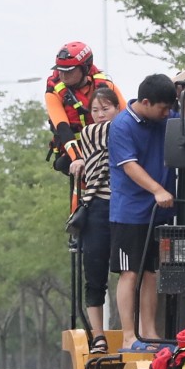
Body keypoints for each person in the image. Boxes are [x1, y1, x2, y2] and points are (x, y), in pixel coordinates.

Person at [108, 73, 178, 350]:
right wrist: (157, 190)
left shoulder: (164, 119)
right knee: (130, 272)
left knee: (151, 272)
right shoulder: (122, 125)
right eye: (163, 108)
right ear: (146, 102)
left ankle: (149, 333)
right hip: (130, 213)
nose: (167, 113)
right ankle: (129, 336)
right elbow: (129, 166)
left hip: (158, 213)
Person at [64, 86, 121, 354]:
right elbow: (114, 132)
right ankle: (98, 335)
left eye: (105, 109)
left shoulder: (124, 129)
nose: (100, 114)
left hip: (124, 207)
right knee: (95, 276)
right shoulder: (92, 132)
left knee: (130, 272)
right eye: (95, 110)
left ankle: (128, 330)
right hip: (98, 206)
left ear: (117, 108)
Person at [45, 40, 124, 166]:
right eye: (60, 70)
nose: (63, 75)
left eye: (69, 71)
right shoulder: (53, 93)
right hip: (75, 150)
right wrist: (77, 158)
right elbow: (62, 128)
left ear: (85, 68)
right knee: (64, 164)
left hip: (108, 145)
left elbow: (126, 117)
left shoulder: (106, 86)